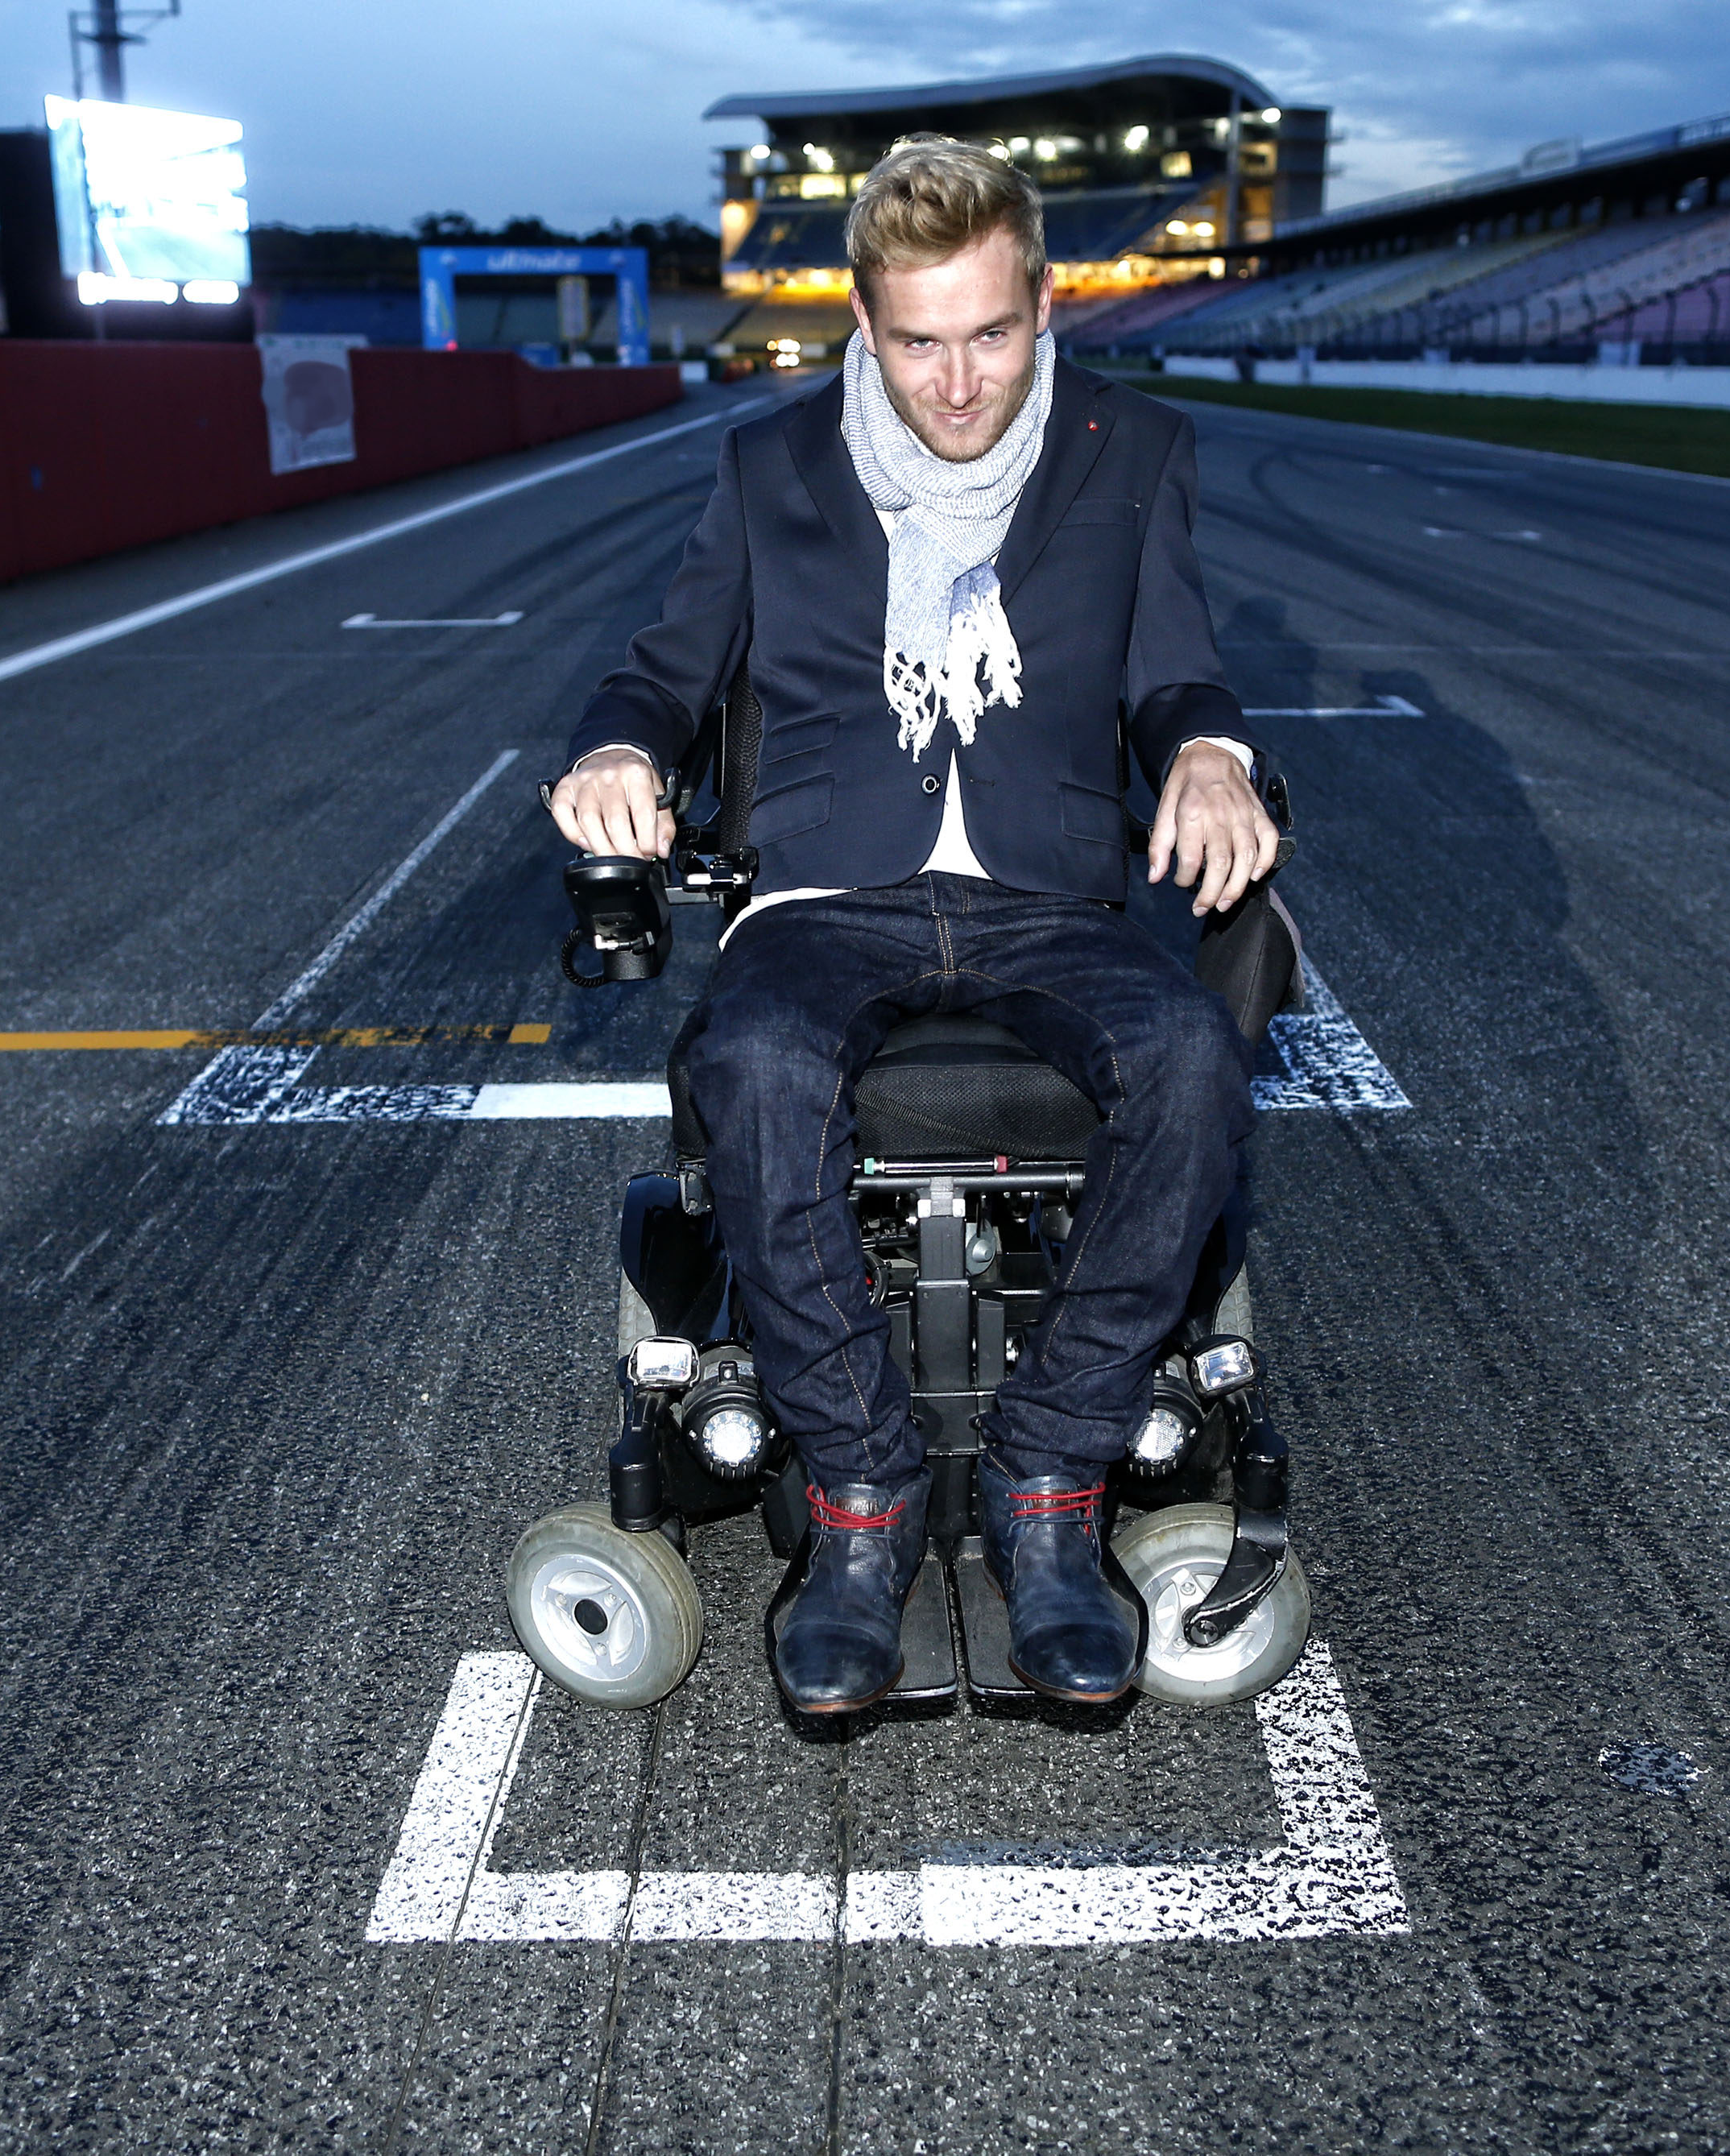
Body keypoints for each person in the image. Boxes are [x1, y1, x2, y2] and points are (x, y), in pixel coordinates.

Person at [547, 136, 1277, 1715]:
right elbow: (663, 672)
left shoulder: (1131, 448)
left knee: (1195, 1059)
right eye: (918, 340)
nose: (957, 381)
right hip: (827, 893)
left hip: (1045, 892)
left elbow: (1175, 676)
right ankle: (864, 1497)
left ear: (1045, 304)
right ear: (862, 328)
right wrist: (615, 751)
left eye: (991, 334)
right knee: (748, 1062)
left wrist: (1213, 756)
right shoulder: (770, 464)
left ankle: (1049, 1482)